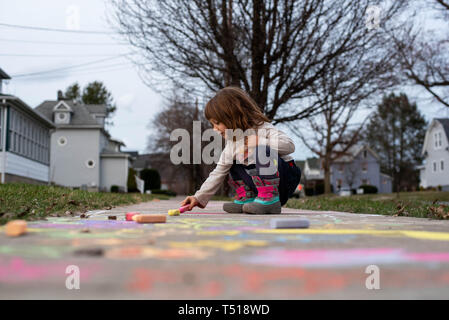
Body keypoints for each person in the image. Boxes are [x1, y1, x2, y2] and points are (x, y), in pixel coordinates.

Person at [181, 87, 301, 214]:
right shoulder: (232, 143)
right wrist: (198, 197)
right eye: (212, 125)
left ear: (231, 117)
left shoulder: (262, 128)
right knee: (231, 162)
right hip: (260, 186)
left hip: (285, 178)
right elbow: (218, 172)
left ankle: (269, 199)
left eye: (217, 123)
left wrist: (260, 142)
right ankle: (248, 197)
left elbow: (289, 146)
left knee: (261, 150)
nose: (215, 129)